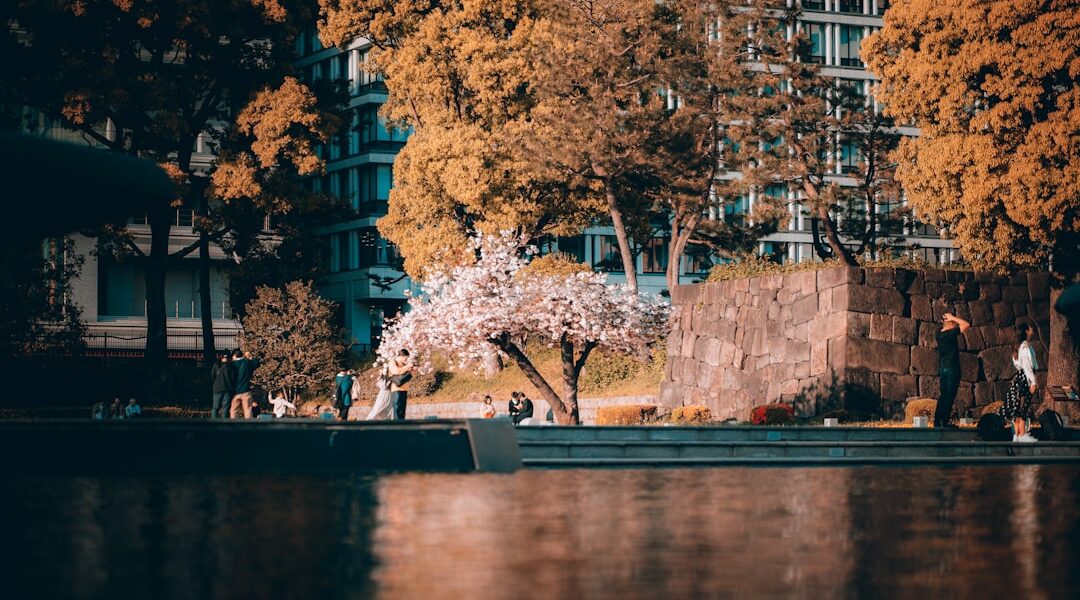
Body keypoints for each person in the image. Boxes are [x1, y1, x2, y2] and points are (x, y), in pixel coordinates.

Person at [935, 312, 970, 428]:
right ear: (950, 324)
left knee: (943, 395)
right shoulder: (950, 334)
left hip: (943, 368)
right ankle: (944, 422)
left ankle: (938, 421)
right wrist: (953, 317)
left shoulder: (938, 334)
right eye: (954, 324)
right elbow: (966, 324)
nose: (955, 326)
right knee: (949, 395)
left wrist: (948, 319)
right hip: (952, 369)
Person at [1005, 323, 1039, 443]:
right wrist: (1033, 382)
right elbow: (1027, 366)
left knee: (1019, 406)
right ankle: (1022, 434)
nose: (1032, 330)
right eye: (1030, 329)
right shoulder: (1025, 347)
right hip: (1026, 378)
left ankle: (1018, 434)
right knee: (1024, 406)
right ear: (1026, 331)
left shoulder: (1017, 347)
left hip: (1020, 377)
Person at [230, 349, 259, 419]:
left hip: (234, 391)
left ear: (234, 356)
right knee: (247, 410)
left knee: (234, 410)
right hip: (246, 390)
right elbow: (256, 363)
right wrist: (249, 357)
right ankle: (248, 427)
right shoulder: (247, 362)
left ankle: (233, 425)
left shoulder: (231, 364)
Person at [388, 349, 414, 420]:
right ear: (402, 356)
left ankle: (402, 425)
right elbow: (395, 371)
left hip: (404, 389)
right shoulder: (393, 362)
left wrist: (410, 368)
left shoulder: (404, 365)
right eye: (406, 357)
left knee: (402, 411)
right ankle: (396, 427)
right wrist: (406, 368)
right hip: (396, 389)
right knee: (397, 409)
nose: (407, 359)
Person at [210, 352, 236, 419]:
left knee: (215, 407)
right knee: (225, 408)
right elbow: (233, 379)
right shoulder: (231, 366)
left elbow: (212, 376)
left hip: (217, 389)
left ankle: (213, 422)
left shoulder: (216, 365)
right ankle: (224, 423)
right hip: (228, 389)